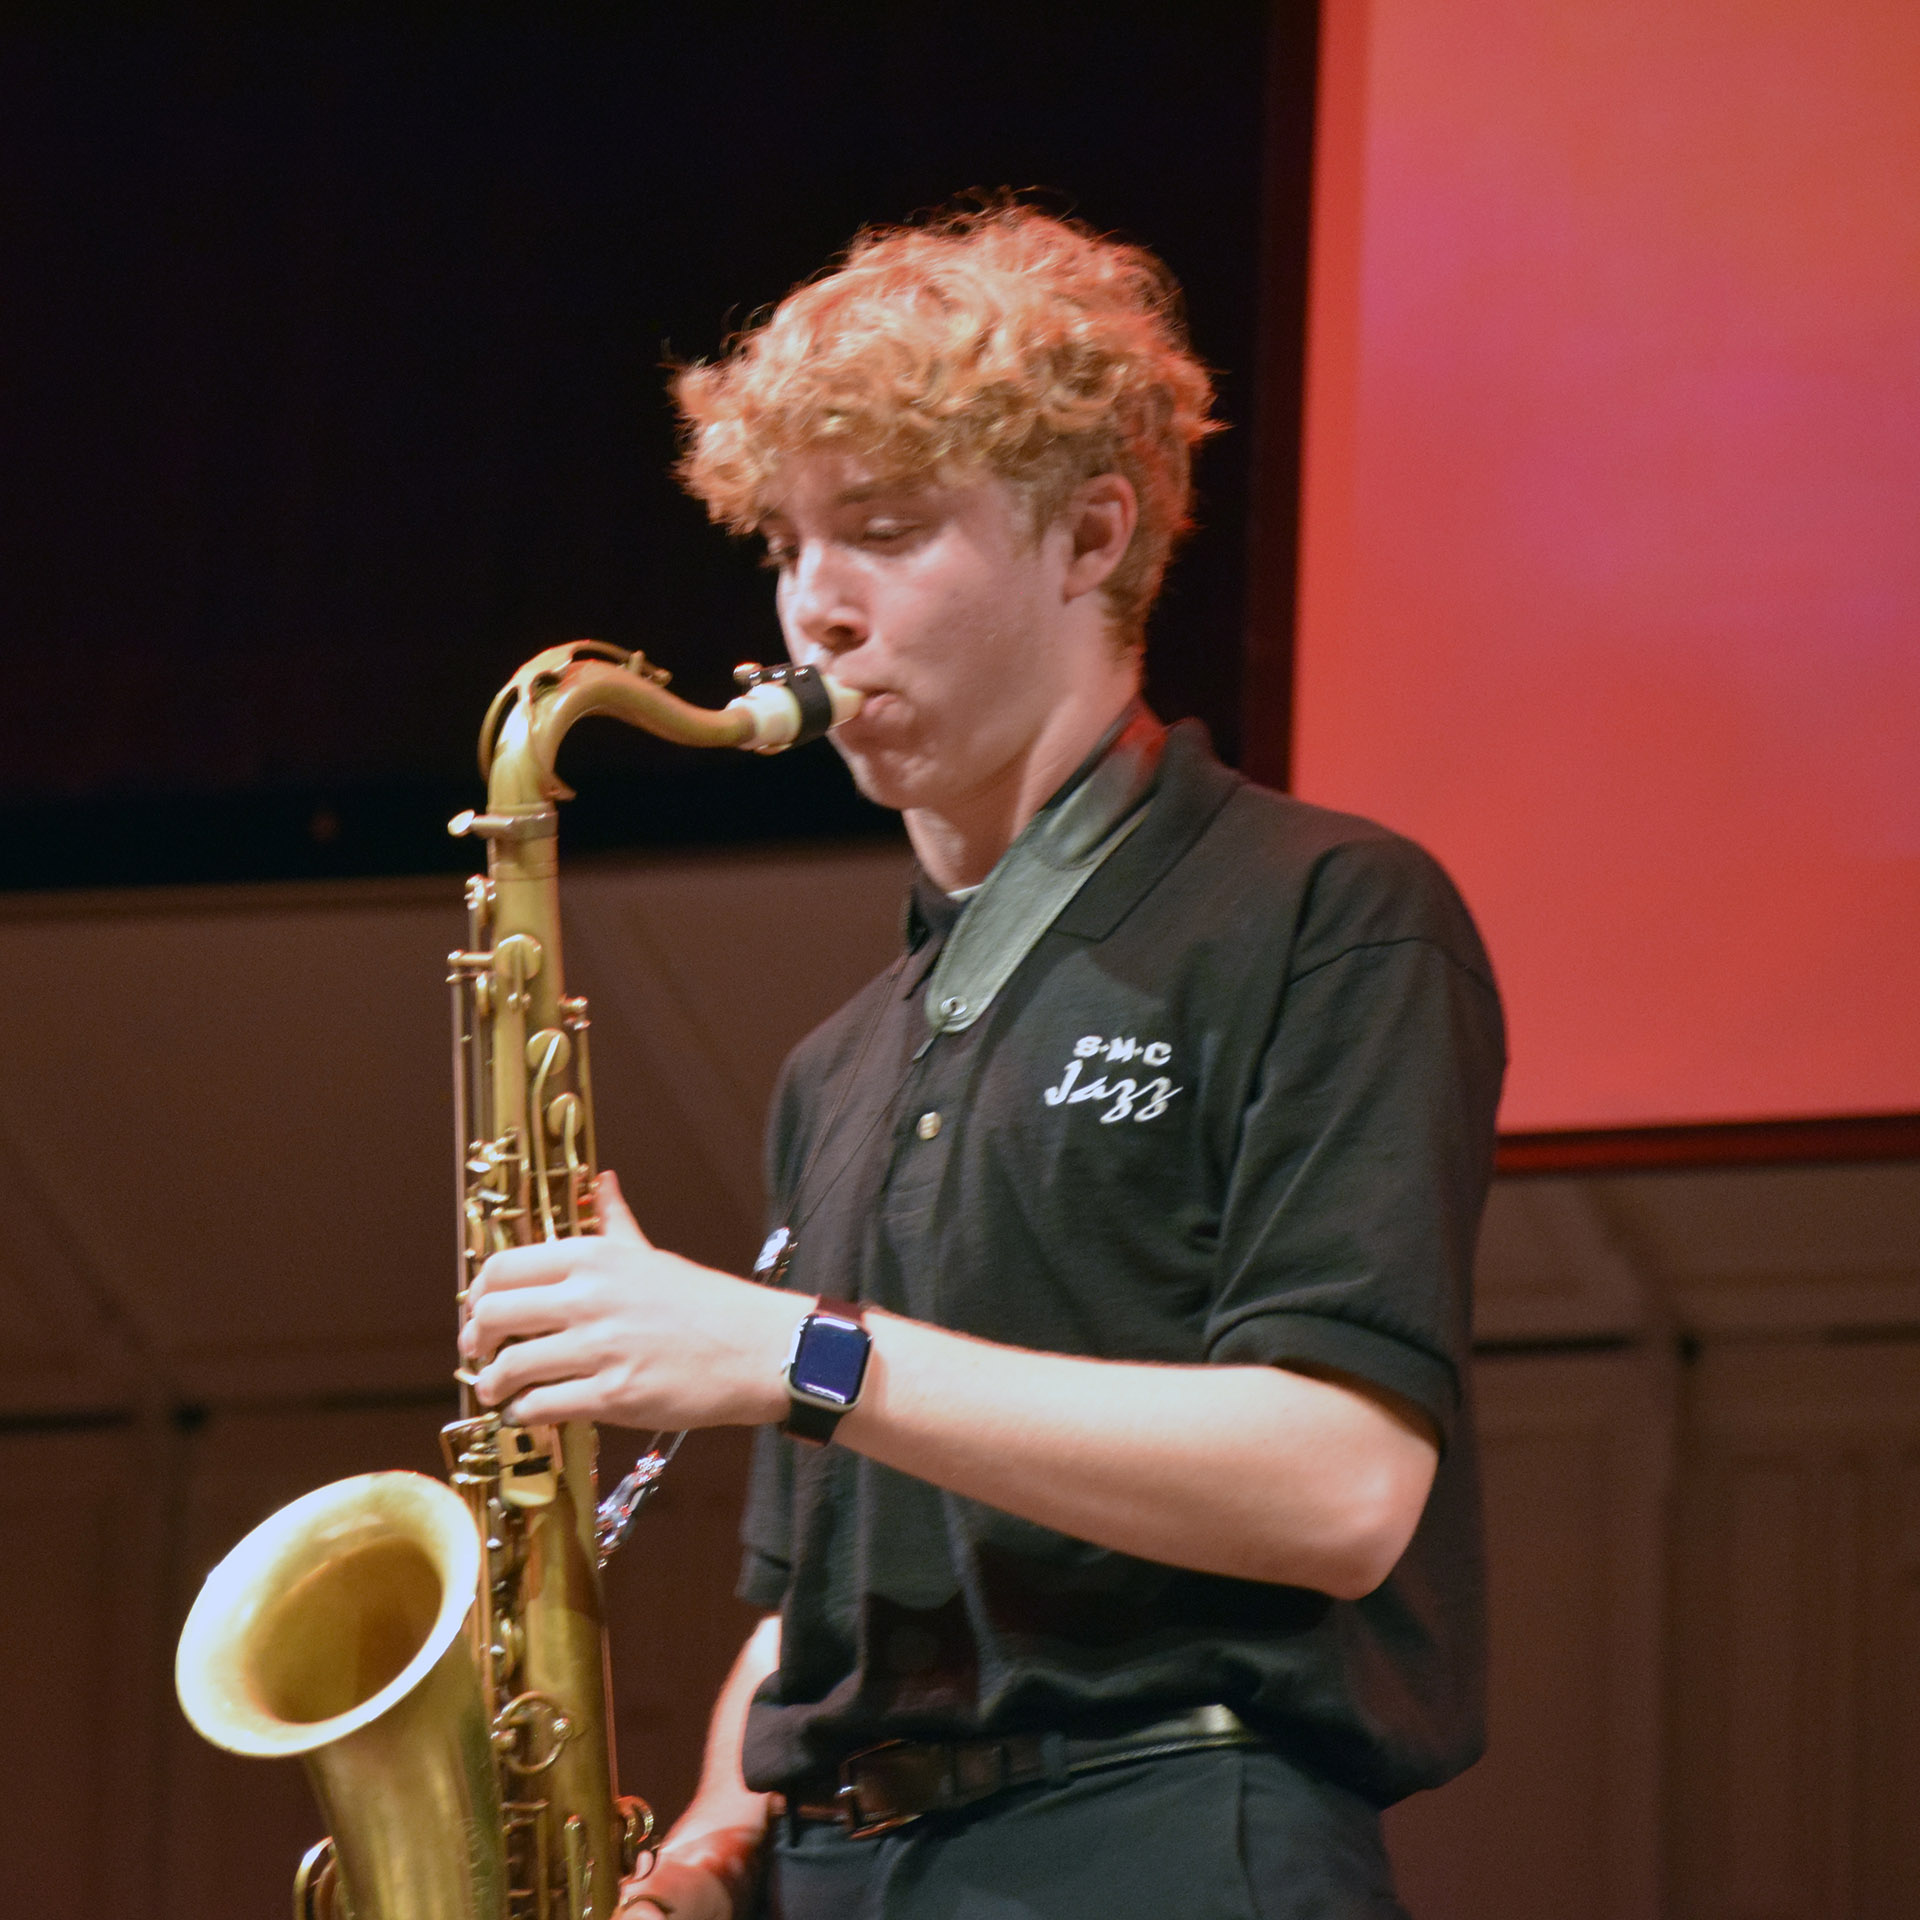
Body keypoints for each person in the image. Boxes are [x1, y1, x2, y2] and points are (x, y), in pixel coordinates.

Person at [461, 203, 1505, 1920]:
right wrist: (716, 1845)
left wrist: (790, 1348)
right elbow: (822, 1600)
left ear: (1093, 534)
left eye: (881, 533)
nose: (817, 613)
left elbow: (1339, 1486)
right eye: (790, 548)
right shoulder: (843, 1058)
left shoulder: (1323, 910)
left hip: (1168, 1836)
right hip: (850, 1873)